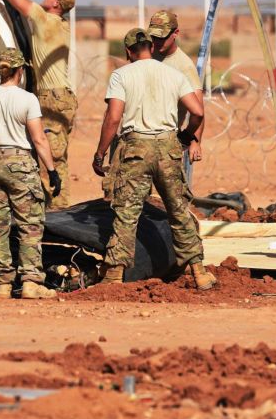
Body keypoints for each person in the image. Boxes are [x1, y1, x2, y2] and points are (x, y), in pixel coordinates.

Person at [92, 28, 216, 291]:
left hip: (135, 148)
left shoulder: (121, 75)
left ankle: (114, 275)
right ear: (151, 46)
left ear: (128, 51)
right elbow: (197, 111)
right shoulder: (173, 74)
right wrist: (185, 136)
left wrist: (100, 153)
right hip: (168, 147)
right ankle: (199, 272)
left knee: (126, 213)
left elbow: (113, 117)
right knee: (179, 211)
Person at [0, 48, 61, 300]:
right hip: (20, 164)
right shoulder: (27, 99)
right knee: (29, 225)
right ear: (20, 70)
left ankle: (2, 285)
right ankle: (30, 282)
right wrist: (52, 171)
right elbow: (39, 138)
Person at [0, 0, 77, 209]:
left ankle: (56, 210)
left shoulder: (44, 19)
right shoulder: (60, 24)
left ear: (56, 3)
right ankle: (59, 207)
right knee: (57, 156)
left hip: (52, 99)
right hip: (59, 97)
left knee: (50, 156)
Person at [146, 10, 204, 163]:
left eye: (162, 37)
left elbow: (197, 110)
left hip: (166, 142)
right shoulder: (145, 55)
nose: (157, 41)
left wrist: (194, 141)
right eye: (153, 36)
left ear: (175, 33)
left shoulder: (184, 66)